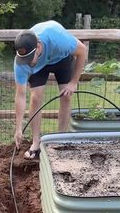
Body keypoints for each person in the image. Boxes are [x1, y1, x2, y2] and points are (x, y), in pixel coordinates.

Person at [13, 20, 87, 159]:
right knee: (35, 98)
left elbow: (82, 50)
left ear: (38, 46)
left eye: (30, 58)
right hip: (40, 66)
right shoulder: (21, 62)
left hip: (61, 58)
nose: (27, 63)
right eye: (25, 59)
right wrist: (18, 128)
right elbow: (21, 95)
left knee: (66, 95)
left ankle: (60, 139)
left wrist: (73, 82)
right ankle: (36, 142)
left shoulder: (59, 39)